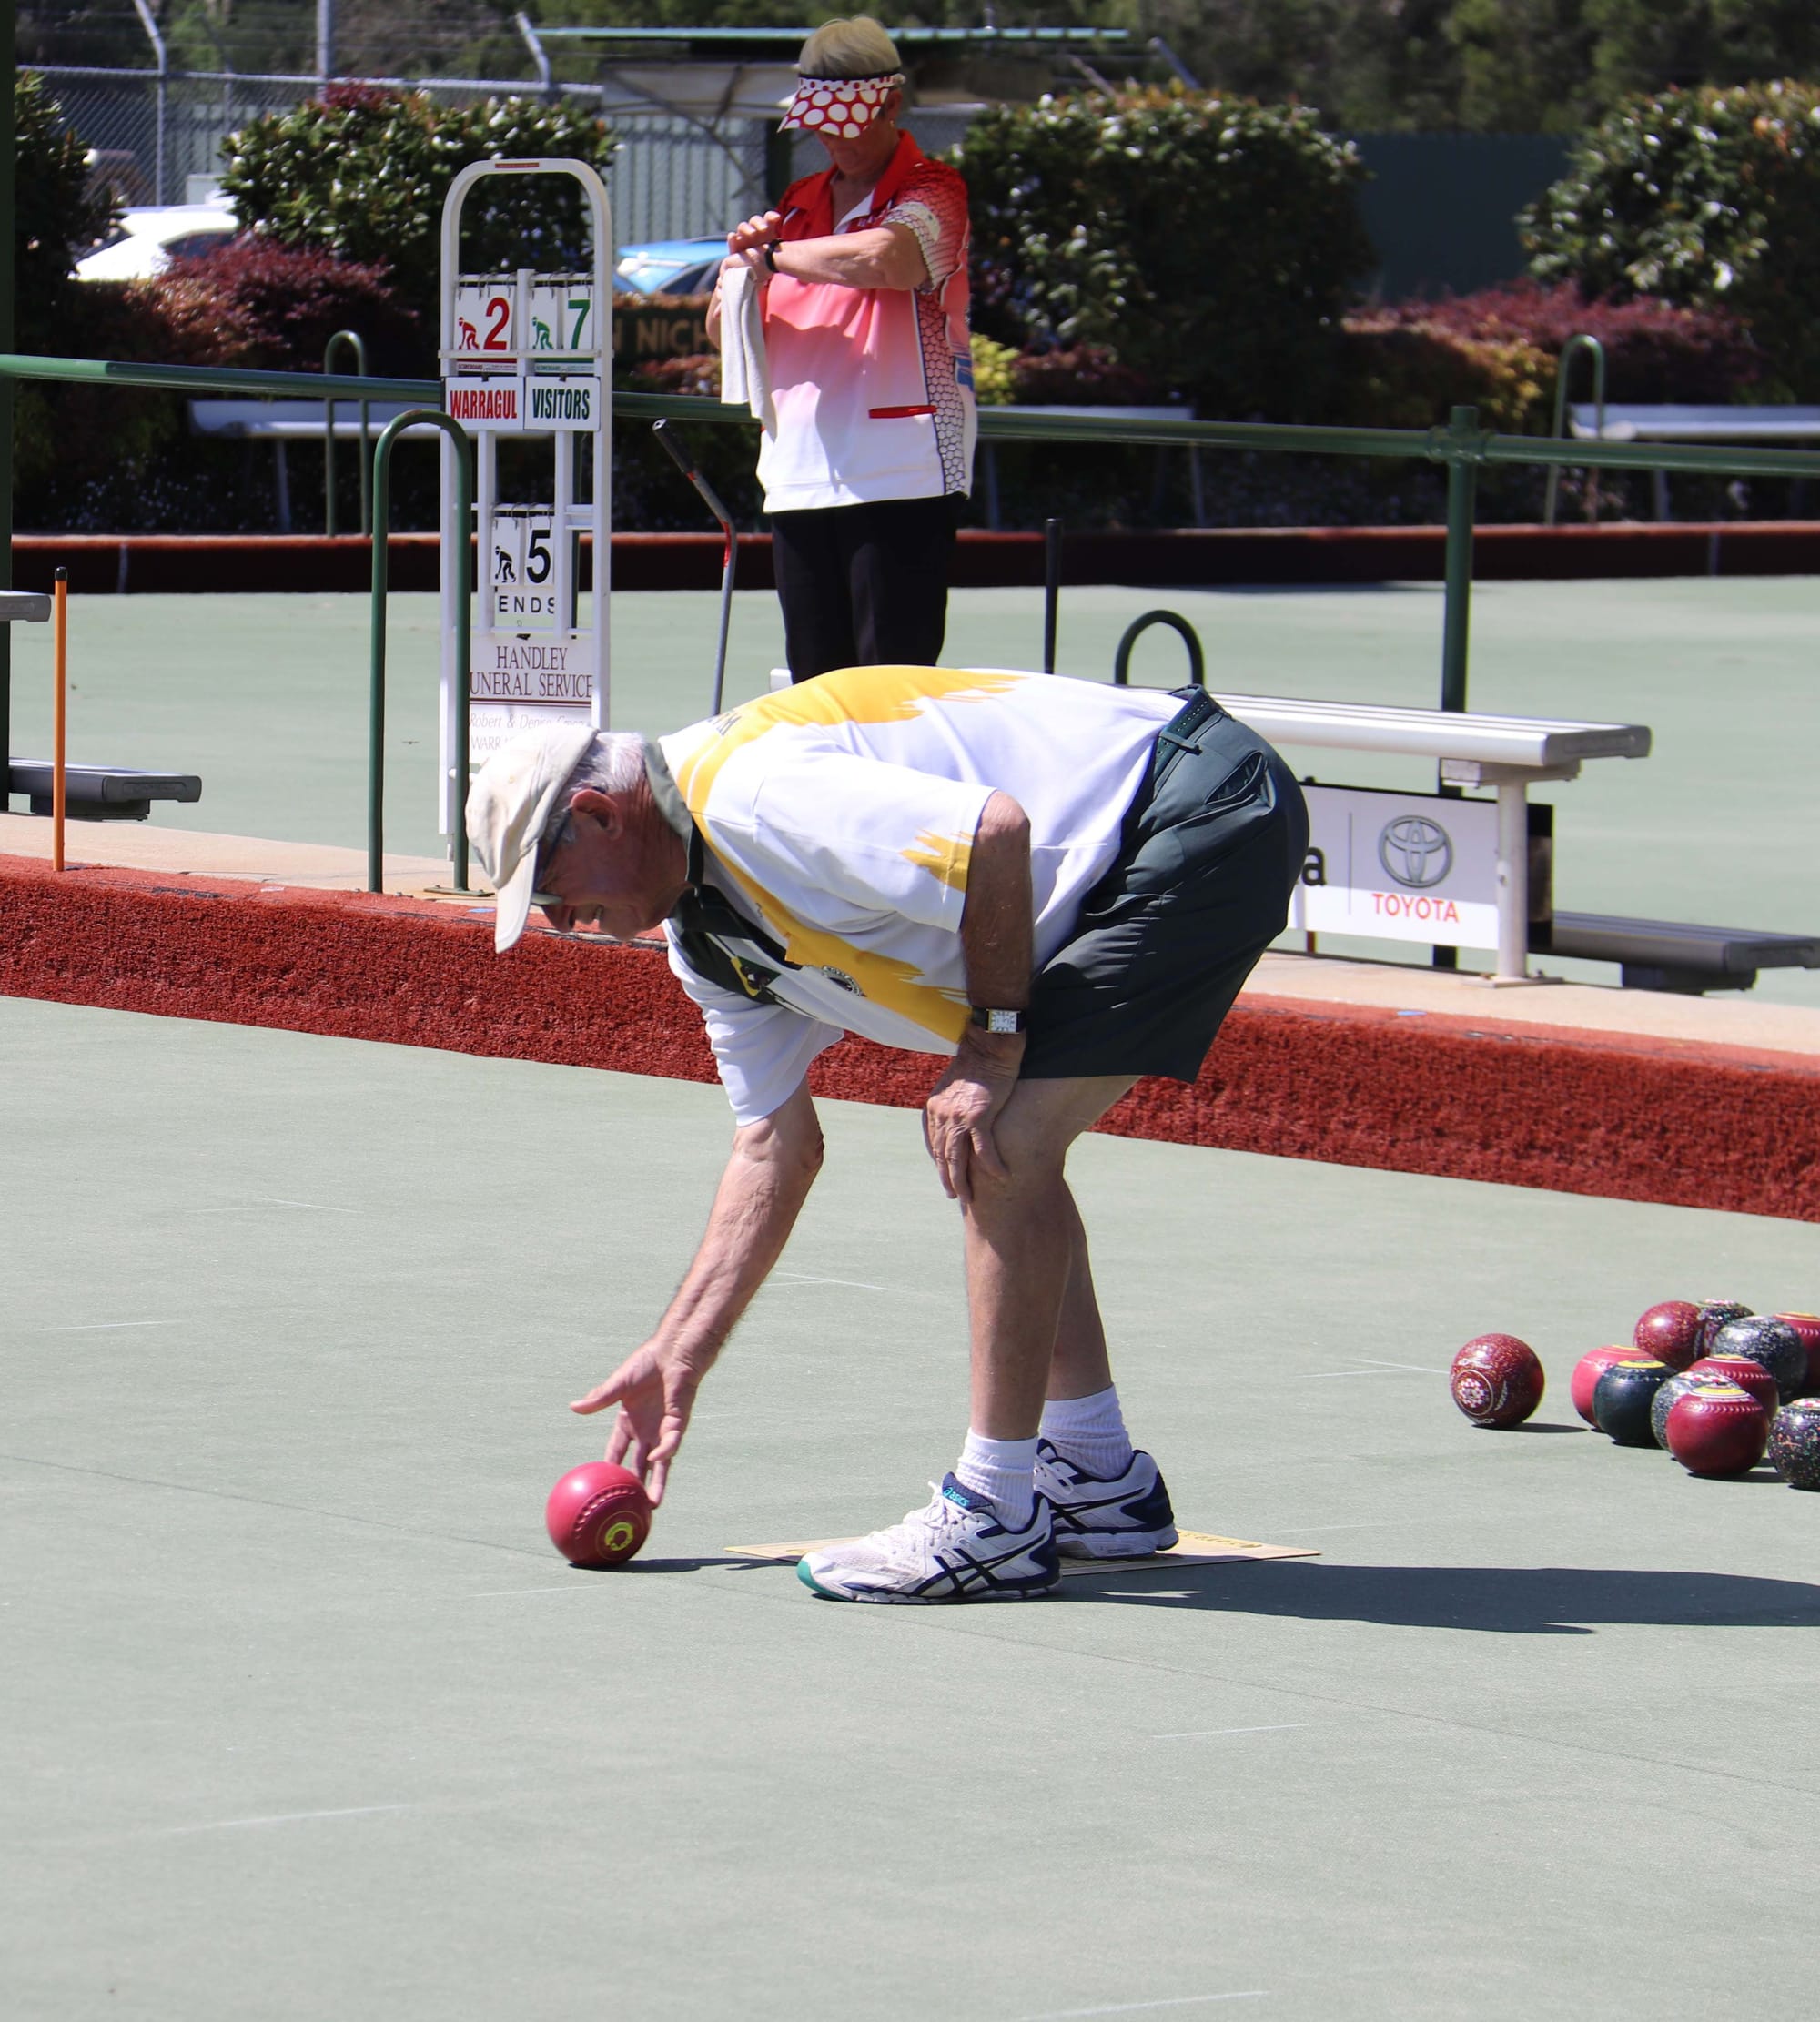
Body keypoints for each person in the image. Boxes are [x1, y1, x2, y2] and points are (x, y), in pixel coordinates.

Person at [467, 668, 1308, 1603]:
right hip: (1135, 838)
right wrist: (678, 1350)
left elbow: (992, 833)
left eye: (549, 888)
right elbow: (773, 1148)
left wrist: (989, 1047)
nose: (560, 924)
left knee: (1000, 1139)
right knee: (1001, 1142)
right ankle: (1097, 1475)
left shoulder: (751, 797)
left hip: (1186, 804)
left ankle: (992, 1514)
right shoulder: (705, 939)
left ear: (598, 812)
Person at [705, 16, 976, 682]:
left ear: (890, 104)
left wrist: (768, 256)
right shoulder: (798, 202)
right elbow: (723, 333)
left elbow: (886, 260)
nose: (835, 136)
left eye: (850, 119)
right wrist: (734, 273)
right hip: (798, 474)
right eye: (823, 121)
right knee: (817, 692)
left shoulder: (934, 189)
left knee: (891, 693)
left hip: (900, 472)